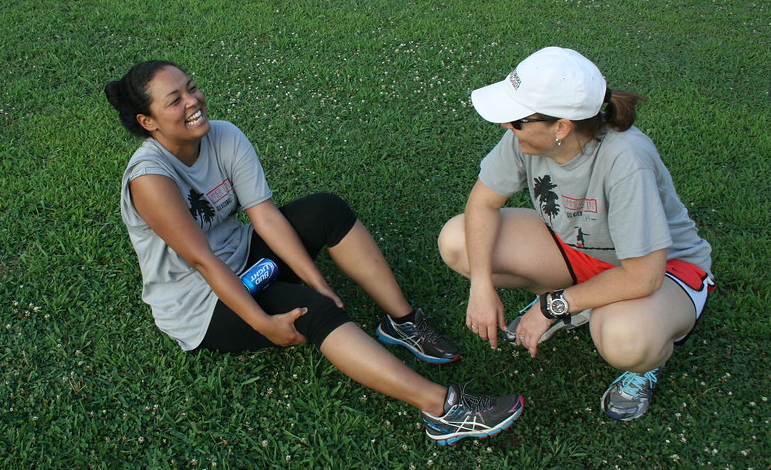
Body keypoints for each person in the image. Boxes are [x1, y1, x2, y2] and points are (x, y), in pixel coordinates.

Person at [106, 59, 524, 445]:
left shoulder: (224, 134)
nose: (193, 101)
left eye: (192, 88)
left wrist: (316, 278)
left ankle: (404, 322)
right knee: (312, 312)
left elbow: (264, 216)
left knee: (325, 210)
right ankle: (444, 409)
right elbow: (203, 260)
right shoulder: (151, 178)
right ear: (148, 121)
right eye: (175, 100)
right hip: (202, 301)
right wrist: (265, 323)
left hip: (245, 255)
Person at [438, 46, 714, 421]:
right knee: (457, 241)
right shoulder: (527, 138)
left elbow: (643, 275)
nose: (507, 126)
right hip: (580, 251)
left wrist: (551, 306)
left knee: (625, 339)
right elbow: (481, 205)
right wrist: (481, 286)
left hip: (662, 271)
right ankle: (579, 305)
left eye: (517, 119)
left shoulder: (625, 160)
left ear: (561, 127)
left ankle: (642, 359)